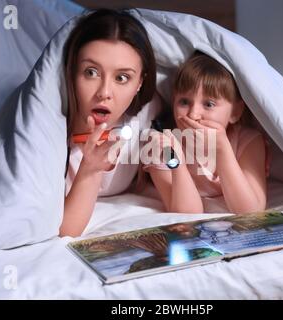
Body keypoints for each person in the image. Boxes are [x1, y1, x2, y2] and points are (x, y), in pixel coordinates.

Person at [60, 9, 157, 237]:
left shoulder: (144, 114)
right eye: (91, 72)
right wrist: (90, 169)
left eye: (122, 78)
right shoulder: (51, 132)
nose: (104, 93)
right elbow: (67, 230)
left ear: (139, 83)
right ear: (72, 72)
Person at [143, 52, 270, 214]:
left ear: (235, 112)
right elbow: (188, 213)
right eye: (184, 102)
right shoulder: (162, 145)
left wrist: (222, 149)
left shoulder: (249, 141)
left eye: (209, 104)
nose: (193, 114)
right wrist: (177, 163)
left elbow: (250, 211)